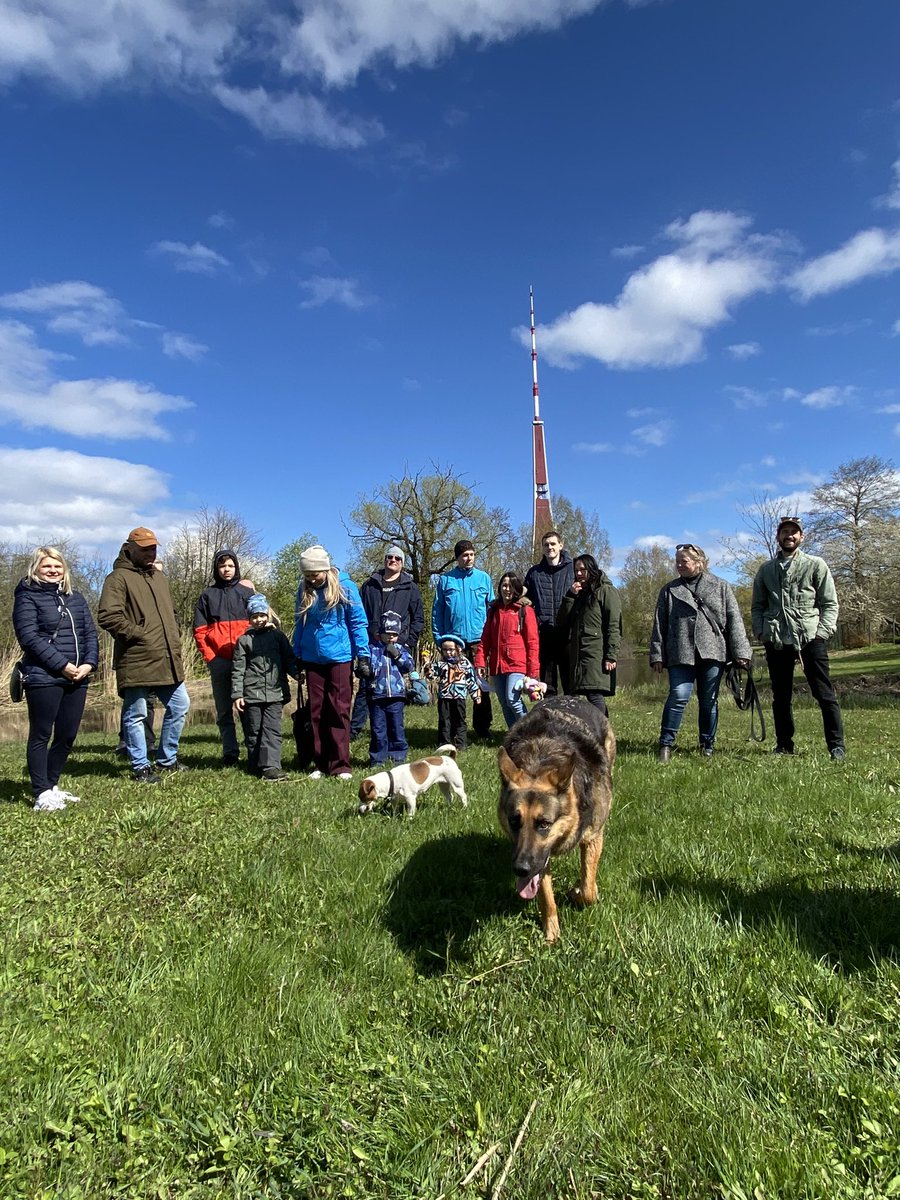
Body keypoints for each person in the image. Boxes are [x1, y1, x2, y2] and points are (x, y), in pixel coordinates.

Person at [98, 526, 191, 782]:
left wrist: (174, 633)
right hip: (136, 657)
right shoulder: (117, 578)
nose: (151, 553)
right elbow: (107, 616)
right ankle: (140, 766)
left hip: (167, 657)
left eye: (154, 548)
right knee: (136, 713)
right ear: (129, 549)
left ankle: (166, 759)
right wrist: (139, 634)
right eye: (145, 549)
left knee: (180, 705)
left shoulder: (159, 578)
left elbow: (170, 613)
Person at [12, 546, 99, 812]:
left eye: (57, 566)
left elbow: (89, 634)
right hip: (43, 676)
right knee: (41, 733)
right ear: (36, 568)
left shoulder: (76, 597)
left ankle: (51, 786)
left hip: (77, 677)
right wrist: (62, 665)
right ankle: (40, 793)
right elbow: (29, 637)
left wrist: (88, 664)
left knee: (67, 735)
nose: (52, 571)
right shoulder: (27, 596)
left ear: (64, 569)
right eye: (47, 566)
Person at [751, 517, 845, 761]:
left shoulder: (815, 564)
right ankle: (784, 745)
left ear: (801, 537)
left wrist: (822, 631)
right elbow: (757, 606)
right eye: (785, 532)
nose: (789, 536)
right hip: (777, 640)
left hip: (809, 637)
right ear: (778, 537)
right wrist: (761, 632)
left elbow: (830, 603)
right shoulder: (766, 570)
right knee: (781, 696)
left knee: (824, 694)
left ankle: (836, 747)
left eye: (794, 532)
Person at [650, 543, 751, 762]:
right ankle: (666, 744)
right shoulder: (669, 590)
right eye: (677, 561)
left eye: (683, 561)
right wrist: (657, 655)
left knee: (709, 701)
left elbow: (734, 620)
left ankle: (707, 745)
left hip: (713, 651)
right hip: (680, 652)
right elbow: (660, 623)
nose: (679, 565)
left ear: (699, 563)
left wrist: (741, 651)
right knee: (678, 695)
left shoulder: (721, 586)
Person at [292, 545, 370, 780]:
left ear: (325, 569)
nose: (312, 579)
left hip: (340, 657)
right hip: (312, 658)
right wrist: (297, 654)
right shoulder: (304, 589)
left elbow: (358, 622)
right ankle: (321, 763)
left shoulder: (345, 586)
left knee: (338, 709)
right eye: (307, 575)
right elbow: (300, 622)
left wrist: (363, 654)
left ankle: (340, 764)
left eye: (315, 575)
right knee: (316, 711)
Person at [350, 546, 424, 740]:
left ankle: (394, 734)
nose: (392, 560)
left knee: (395, 692)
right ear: (384, 560)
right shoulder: (370, 585)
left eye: (397, 558)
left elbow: (418, 618)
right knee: (366, 687)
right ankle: (354, 731)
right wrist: (364, 642)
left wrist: (407, 643)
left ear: (402, 563)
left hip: (397, 646)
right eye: (389, 557)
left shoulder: (410, 587)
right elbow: (359, 614)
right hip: (373, 645)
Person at [193, 549, 255, 766]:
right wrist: (210, 657)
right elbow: (199, 631)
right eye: (222, 566)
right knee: (223, 711)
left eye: (230, 565)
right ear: (216, 569)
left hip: (245, 662)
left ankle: (253, 751)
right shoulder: (207, 595)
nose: (226, 570)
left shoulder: (246, 594)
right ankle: (230, 753)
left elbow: (257, 625)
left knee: (247, 709)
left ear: (236, 567)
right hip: (219, 660)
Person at [231, 593, 297, 781]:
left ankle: (271, 767)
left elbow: (288, 659)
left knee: (271, 730)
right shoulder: (244, 640)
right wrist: (237, 694)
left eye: (262, 615)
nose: (259, 619)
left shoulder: (278, 637)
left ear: (267, 615)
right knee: (254, 730)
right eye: (254, 616)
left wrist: (297, 673)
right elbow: (238, 669)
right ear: (249, 619)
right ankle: (255, 763)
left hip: (275, 693)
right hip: (252, 694)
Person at [431, 540, 494, 738]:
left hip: (478, 641)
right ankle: (452, 731)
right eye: (465, 555)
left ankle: (483, 727)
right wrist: (440, 639)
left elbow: (492, 611)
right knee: (451, 687)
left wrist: (490, 639)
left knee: (480, 685)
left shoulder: (484, 579)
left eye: (472, 554)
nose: (469, 559)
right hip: (453, 643)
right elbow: (437, 612)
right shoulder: (446, 581)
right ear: (457, 558)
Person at [556, 554, 623, 718]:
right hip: (578, 653)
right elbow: (562, 620)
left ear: (592, 569)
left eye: (583, 570)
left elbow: (614, 625)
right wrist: (570, 596)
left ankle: (599, 734)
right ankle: (599, 734)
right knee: (578, 696)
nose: (579, 574)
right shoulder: (578, 594)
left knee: (594, 695)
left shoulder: (606, 591)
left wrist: (611, 655)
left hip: (596, 653)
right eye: (576, 570)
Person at [473, 573, 540, 728]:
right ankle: (514, 736)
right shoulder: (494, 611)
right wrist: (480, 662)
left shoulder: (524, 610)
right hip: (498, 664)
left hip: (517, 664)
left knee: (513, 700)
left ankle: (530, 731)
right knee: (504, 703)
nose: (507, 589)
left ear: (516, 589)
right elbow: (485, 639)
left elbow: (532, 642)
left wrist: (533, 671)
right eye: (504, 585)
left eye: (510, 586)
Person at [524, 530, 575, 695]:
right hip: (545, 634)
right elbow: (525, 598)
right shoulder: (534, 573)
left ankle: (572, 718)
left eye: (553, 544)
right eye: (546, 545)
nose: (550, 547)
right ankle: (549, 717)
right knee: (548, 684)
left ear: (561, 545)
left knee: (570, 683)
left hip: (568, 633)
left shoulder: (573, 569)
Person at [366, 611, 414, 766]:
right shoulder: (373, 649)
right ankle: (378, 759)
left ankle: (398, 758)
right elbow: (366, 667)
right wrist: (364, 669)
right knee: (378, 729)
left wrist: (398, 655)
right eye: (387, 634)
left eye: (394, 634)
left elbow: (409, 667)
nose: (391, 637)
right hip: (377, 695)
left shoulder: (402, 649)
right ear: (380, 634)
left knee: (396, 728)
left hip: (396, 695)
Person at [425, 634, 482, 750]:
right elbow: (431, 675)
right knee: (444, 720)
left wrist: (476, 695)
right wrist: (427, 665)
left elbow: (471, 680)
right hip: (444, 697)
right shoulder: (440, 663)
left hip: (459, 697)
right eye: (445, 650)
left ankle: (461, 743)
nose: (448, 653)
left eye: (451, 649)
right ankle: (444, 743)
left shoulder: (465, 664)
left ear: (459, 648)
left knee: (460, 720)